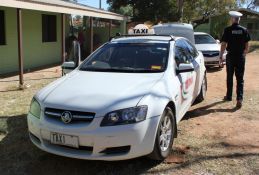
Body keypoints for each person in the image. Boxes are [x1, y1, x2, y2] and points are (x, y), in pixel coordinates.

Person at [219, 11, 251, 108]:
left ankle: (229, 96)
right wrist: (244, 54)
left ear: (232, 19)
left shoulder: (227, 30)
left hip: (231, 57)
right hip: (240, 57)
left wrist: (221, 56)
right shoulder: (244, 30)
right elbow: (247, 44)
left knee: (229, 76)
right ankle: (239, 99)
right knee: (240, 78)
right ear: (239, 20)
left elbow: (224, 44)